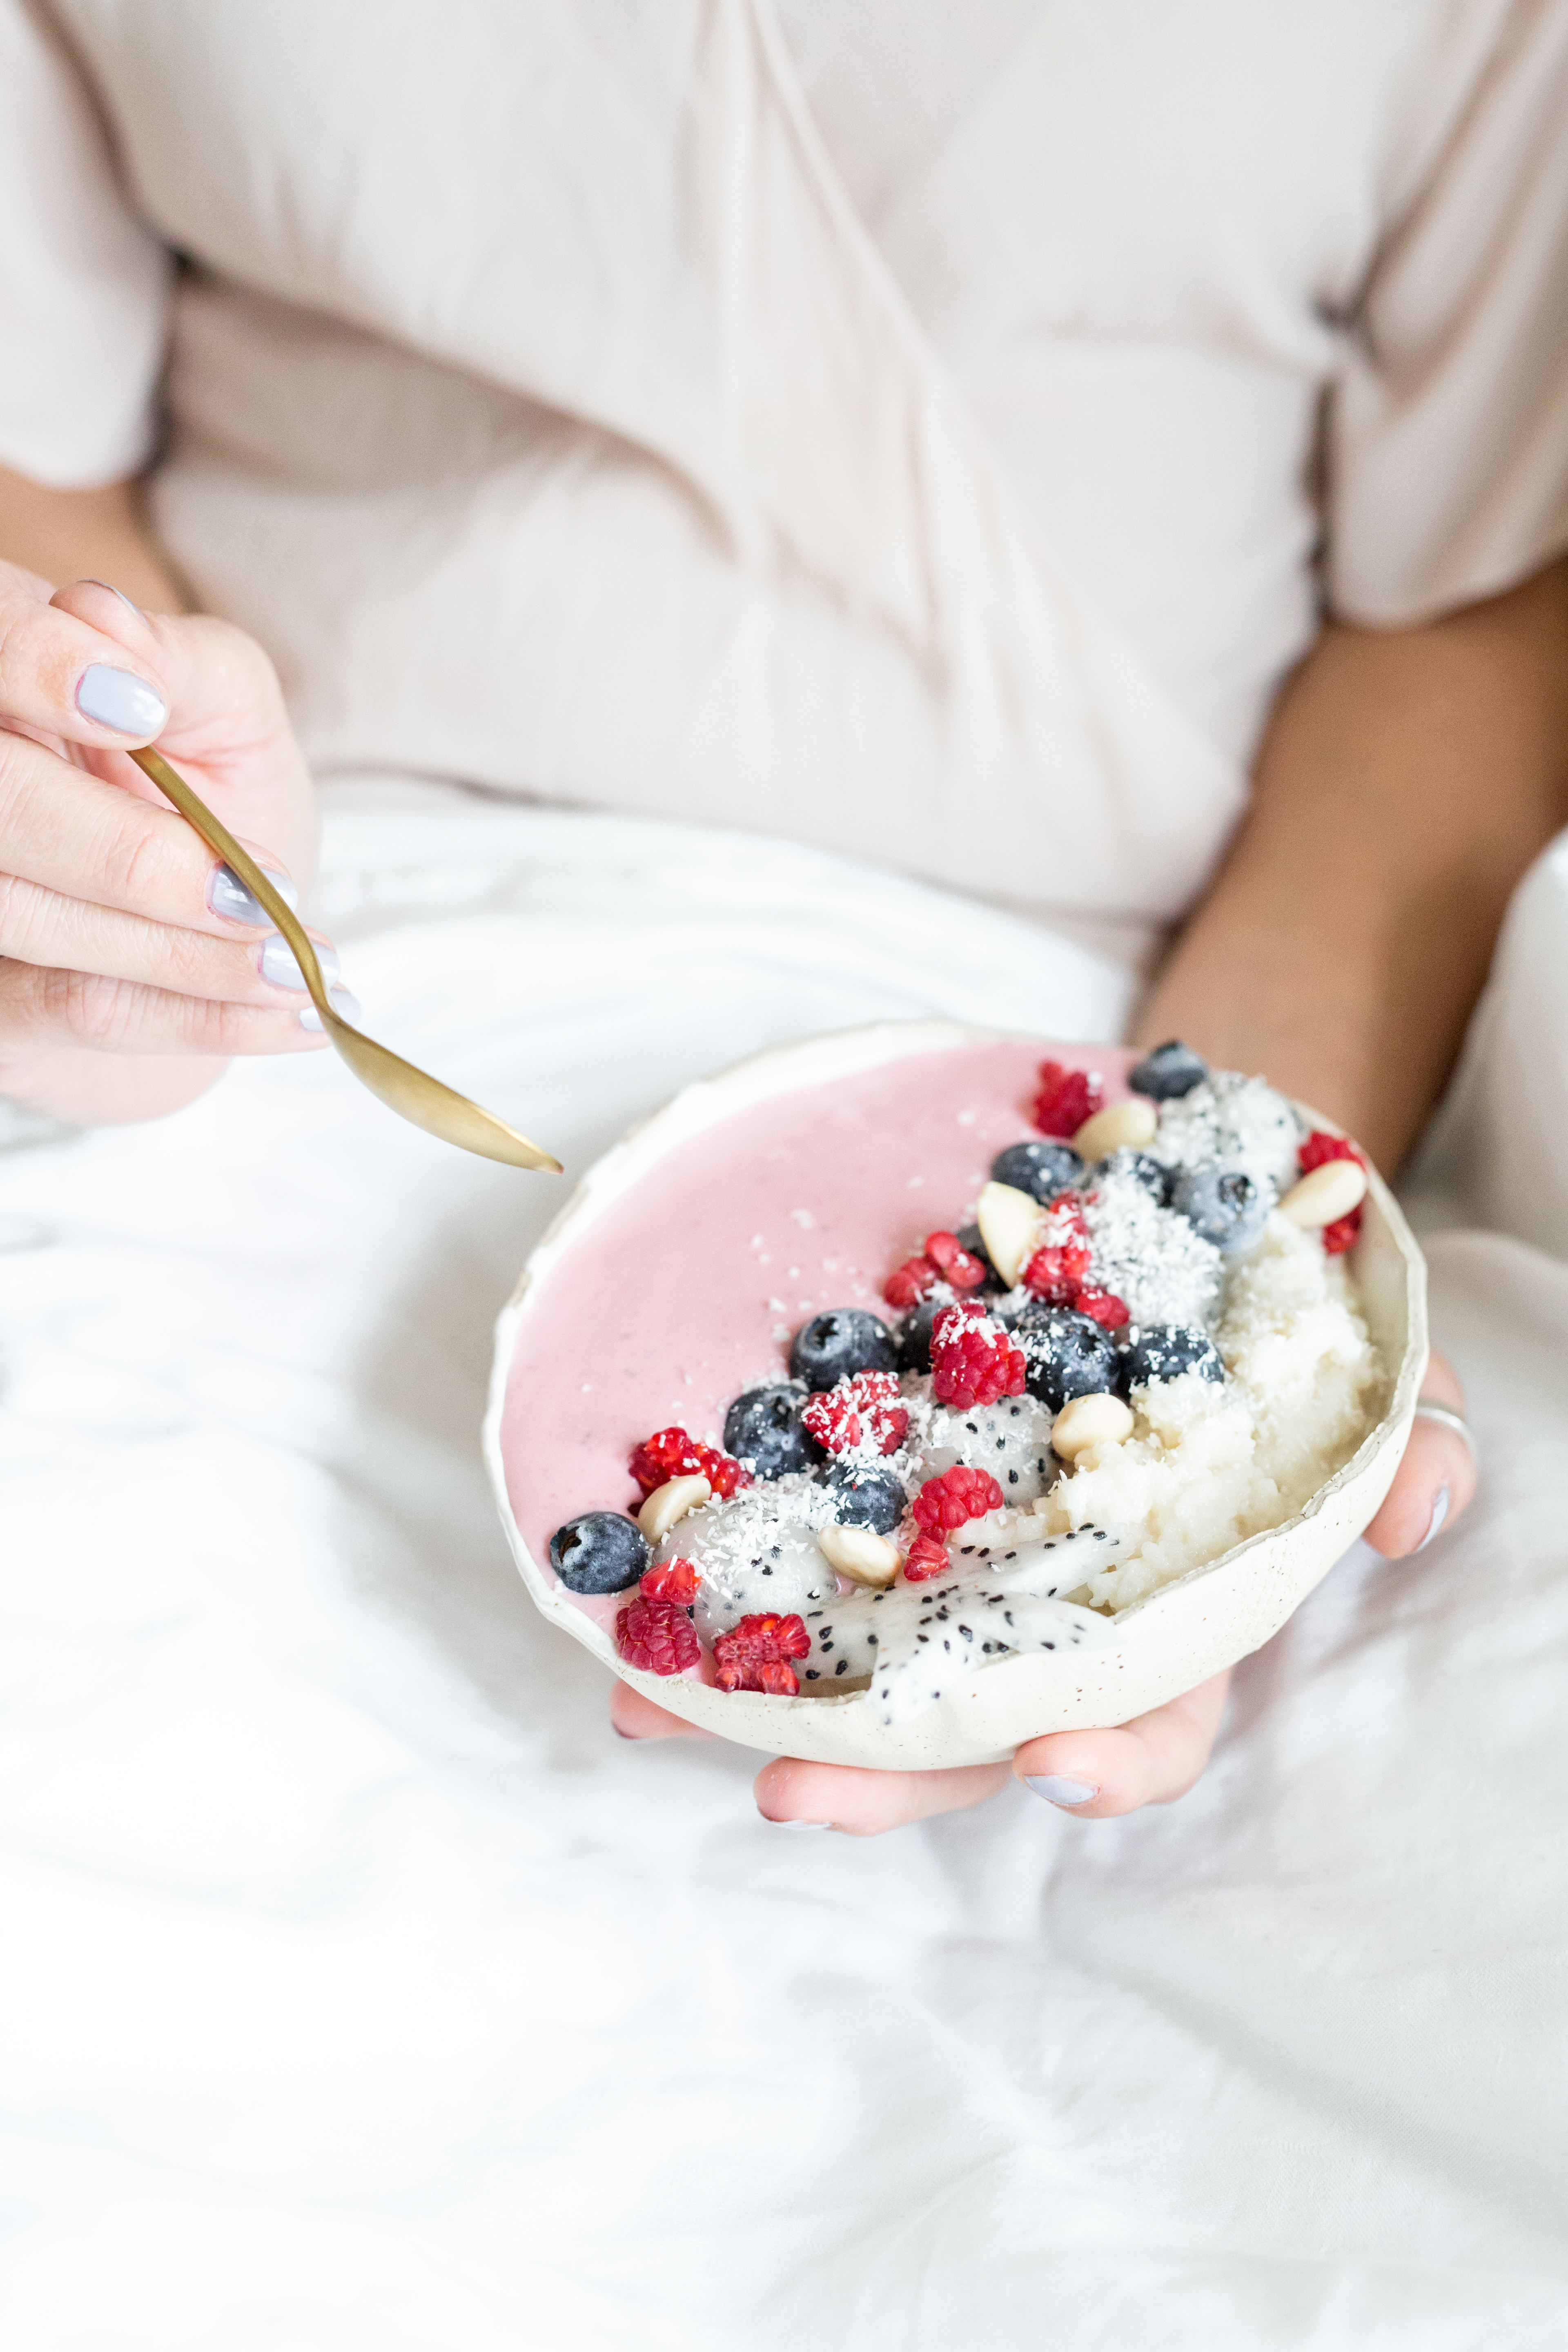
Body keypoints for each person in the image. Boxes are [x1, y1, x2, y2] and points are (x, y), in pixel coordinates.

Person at [2, 0, 1565, 1841]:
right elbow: (41, 442)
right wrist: (119, 807)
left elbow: (1464, 606)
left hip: (1102, 1024)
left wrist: (1227, 1215)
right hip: (321, 981)